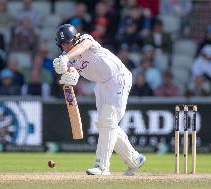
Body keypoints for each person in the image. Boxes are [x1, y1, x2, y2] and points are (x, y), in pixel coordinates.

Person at [53, 24, 146, 176]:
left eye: (68, 43)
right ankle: (135, 159)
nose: (66, 47)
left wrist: (65, 58)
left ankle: (102, 167)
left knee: (107, 121)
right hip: (101, 85)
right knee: (107, 125)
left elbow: (83, 47)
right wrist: (69, 75)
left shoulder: (85, 39)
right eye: (63, 44)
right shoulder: (67, 57)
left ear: (75, 38)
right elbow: (71, 70)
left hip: (118, 78)